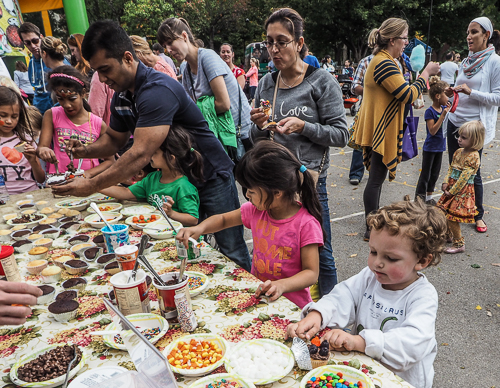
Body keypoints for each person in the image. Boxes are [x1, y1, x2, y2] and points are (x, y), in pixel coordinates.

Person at [52, 20, 251, 272]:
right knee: (185, 249)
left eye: (105, 69)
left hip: (208, 176)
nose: (101, 79)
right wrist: (87, 150)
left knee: (231, 249)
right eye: (96, 72)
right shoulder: (123, 96)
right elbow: (115, 139)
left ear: (127, 57)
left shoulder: (157, 89)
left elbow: (140, 152)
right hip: (174, 179)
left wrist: (92, 185)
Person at [287, 196, 448, 388]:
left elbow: (413, 343)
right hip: (364, 375)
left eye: (390, 258)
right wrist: (318, 315)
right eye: (373, 251)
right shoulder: (370, 276)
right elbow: (343, 295)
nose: (377, 263)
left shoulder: (422, 295)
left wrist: (360, 342)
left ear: (422, 261)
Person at [250, 7, 348, 298]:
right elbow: (259, 137)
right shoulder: (268, 83)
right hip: (275, 183)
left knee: (321, 252)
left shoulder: (320, 82)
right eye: (269, 42)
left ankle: (329, 314)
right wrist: (258, 125)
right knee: (276, 247)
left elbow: (342, 135)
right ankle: (287, 301)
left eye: (282, 41)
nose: (274, 49)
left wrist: (304, 126)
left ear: (299, 43)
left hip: (309, 184)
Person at [177, 141, 324, 308]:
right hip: (261, 297)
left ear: (276, 193)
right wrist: (199, 228)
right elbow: (223, 220)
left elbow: (311, 273)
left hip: (292, 306)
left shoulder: (306, 224)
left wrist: (282, 285)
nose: (246, 195)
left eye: (251, 191)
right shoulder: (256, 211)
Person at [352, 18, 440, 241]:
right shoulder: (384, 63)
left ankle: (372, 223)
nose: (406, 43)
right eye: (404, 38)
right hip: (380, 131)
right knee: (375, 180)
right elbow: (407, 95)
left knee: (376, 179)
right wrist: (426, 74)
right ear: (392, 40)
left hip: (379, 128)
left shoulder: (386, 60)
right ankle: (370, 227)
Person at [158, 18, 253, 154]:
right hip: (221, 138)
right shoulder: (186, 70)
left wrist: (195, 111)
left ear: (184, 36)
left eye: (170, 43)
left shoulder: (207, 57)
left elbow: (223, 104)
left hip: (240, 136)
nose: (168, 50)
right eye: (165, 46)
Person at [444, 16, 500, 234]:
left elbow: (497, 97)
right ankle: (455, 212)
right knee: (454, 171)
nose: (469, 37)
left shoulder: (494, 61)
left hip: (475, 128)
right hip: (454, 122)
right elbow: (460, 92)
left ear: (486, 35)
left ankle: (478, 215)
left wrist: (470, 91)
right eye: (468, 32)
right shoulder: (465, 62)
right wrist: (451, 94)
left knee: (472, 173)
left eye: (474, 32)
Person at [99, 126, 201, 226]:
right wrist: (94, 187)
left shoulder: (183, 187)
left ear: (170, 158)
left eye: (155, 152)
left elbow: (193, 219)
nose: (150, 155)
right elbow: (126, 192)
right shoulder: (153, 178)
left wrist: (171, 213)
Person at [37, 66, 111, 174]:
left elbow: (109, 161)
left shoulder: (98, 124)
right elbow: (41, 147)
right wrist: (44, 151)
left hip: (87, 184)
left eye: (72, 99)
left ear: (83, 93)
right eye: (60, 98)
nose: (66, 105)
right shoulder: (52, 115)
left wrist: (85, 175)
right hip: (59, 179)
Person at [437, 120, 485, 253]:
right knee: (442, 211)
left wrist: (452, 191)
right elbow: (451, 168)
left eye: (463, 138)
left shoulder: (474, 156)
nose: (459, 139)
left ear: (475, 140)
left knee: (452, 217)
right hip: (452, 188)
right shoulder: (458, 152)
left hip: (462, 191)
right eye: (459, 136)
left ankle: (459, 244)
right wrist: (446, 181)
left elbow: (464, 178)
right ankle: (449, 235)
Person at [0, 87, 45, 193]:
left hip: (31, 195)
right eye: (3, 116)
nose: (9, 121)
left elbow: (41, 179)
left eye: (14, 116)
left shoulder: (27, 139)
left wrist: (32, 160)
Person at [415, 76, 451, 203]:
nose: (448, 98)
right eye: (446, 95)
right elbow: (432, 131)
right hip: (430, 148)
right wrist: (443, 115)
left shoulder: (443, 109)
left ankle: (429, 198)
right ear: (437, 96)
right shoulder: (430, 112)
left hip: (440, 147)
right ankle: (419, 199)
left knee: (435, 174)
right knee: (426, 174)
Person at [348, 52, 374, 185]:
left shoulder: (395, 61)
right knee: (360, 141)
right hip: (366, 109)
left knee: (380, 143)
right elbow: (355, 86)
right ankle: (356, 173)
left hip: (386, 113)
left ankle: (376, 174)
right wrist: (372, 90)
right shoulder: (366, 61)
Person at [17, 22, 52, 114]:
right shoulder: (31, 63)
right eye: (27, 43)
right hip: (41, 114)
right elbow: (37, 91)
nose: (32, 46)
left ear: (41, 37)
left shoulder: (54, 59)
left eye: (35, 41)